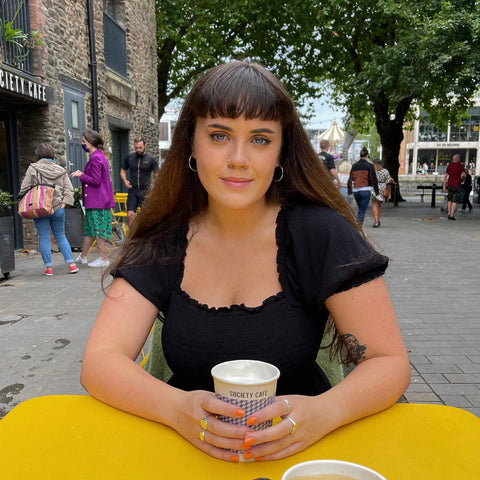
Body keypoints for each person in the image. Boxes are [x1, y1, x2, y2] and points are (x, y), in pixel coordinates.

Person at [80, 62, 410, 463]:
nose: (238, 159)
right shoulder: (165, 237)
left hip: (302, 457)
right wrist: (175, 409)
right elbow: (99, 362)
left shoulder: (318, 232)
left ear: (280, 152)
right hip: (185, 455)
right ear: (192, 144)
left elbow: (389, 363)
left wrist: (326, 412)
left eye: (259, 139)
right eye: (219, 135)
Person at [18, 143, 79, 276]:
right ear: (52, 154)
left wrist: (22, 198)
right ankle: (72, 265)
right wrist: (63, 205)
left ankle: (48, 268)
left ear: (38, 155)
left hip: (40, 208)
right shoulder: (61, 170)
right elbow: (69, 190)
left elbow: (24, 188)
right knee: (61, 236)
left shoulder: (33, 169)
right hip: (58, 208)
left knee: (44, 237)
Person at [70, 129, 115, 267]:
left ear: (90, 142)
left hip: (98, 201)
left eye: (84, 142)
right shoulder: (99, 156)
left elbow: (95, 180)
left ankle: (104, 259)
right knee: (89, 229)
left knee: (98, 230)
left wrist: (80, 175)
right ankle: (83, 256)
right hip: (95, 201)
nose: (83, 144)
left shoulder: (96, 158)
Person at [120, 136, 159, 226]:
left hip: (145, 190)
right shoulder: (129, 157)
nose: (138, 150)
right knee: (130, 214)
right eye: (136, 148)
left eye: (140, 148)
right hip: (133, 190)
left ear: (145, 146)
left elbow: (157, 175)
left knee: (145, 216)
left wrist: (153, 186)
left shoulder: (151, 159)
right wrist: (125, 180)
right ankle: (131, 237)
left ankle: (144, 237)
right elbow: (123, 171)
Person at [347, 147, 379, 225]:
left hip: (356, 190)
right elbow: (373, 178)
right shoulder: (369, 165)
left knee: (361, 207)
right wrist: (376, 190)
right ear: (367, 155)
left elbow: (350, 178)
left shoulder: (354, 166)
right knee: (362, 209)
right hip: (365, 189)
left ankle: (358, 221)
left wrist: (350, 190)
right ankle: (358, 222)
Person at [371, 159, 394, 228]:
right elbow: (389, 182)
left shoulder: (372, 171)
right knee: (379, 205)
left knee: (375, 204)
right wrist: (389, 193)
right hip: (382, 188)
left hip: (374, 188)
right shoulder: (385, 171)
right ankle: (377, 220)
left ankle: (376, 221)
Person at [442, 153, 466, 220]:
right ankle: (452, 215)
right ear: (458, 159)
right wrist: (461, 180)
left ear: (453, 159)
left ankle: (449, 213)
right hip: (457, 184)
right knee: (455, 200)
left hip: (450, 184)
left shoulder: (449, 166)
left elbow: (445, 176)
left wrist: (444, 185)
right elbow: (464, 175)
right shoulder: (460, 166)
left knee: (449, 199)